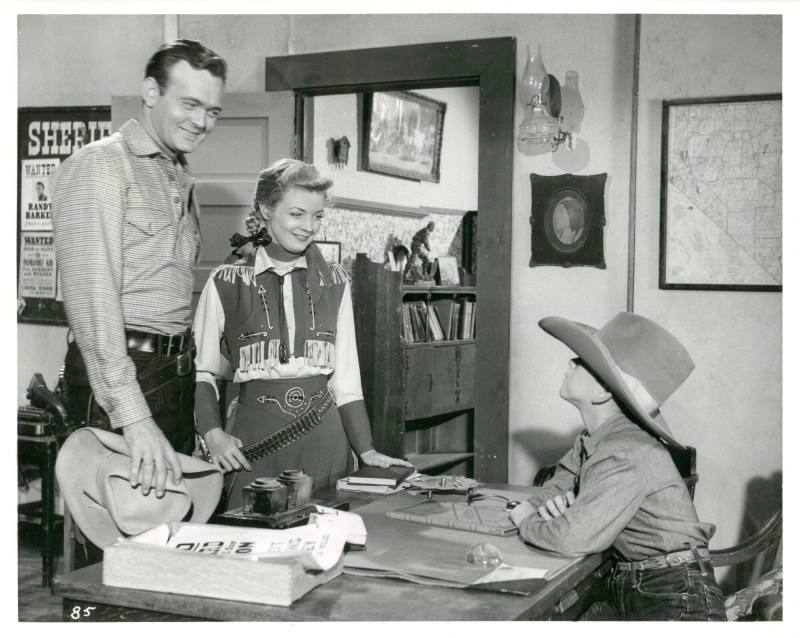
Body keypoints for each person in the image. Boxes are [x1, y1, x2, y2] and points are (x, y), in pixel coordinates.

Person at [52, 39, 227, 500]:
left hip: (173, 373)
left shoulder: (177, 173)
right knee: (115, 546)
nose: (201, 122)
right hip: (125, 377)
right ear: (151, 91)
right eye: (189, 104)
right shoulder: (100, 166)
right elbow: (92, 306)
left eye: (212, 111)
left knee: (169, 535)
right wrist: (134, 417)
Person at [193, 158, 411, 509]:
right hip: (253, 444)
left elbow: (346, 380)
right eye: (297, 214)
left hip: (326, 442)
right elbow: (202, 371)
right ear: (265, 210)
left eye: (318, 216)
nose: (309, 227)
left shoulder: (336, 281)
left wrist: (366, 449)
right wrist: (212, 434)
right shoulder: (226, 281)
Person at [509, 312, 726, 621]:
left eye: (581, 361)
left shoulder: (623, 450)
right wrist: (544, 504)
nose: (570, 363)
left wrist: (526, 520)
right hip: (643, 585)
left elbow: (572, 539)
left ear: (603, 393)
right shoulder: (597, 438)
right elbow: (559, 483)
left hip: (676, 597)